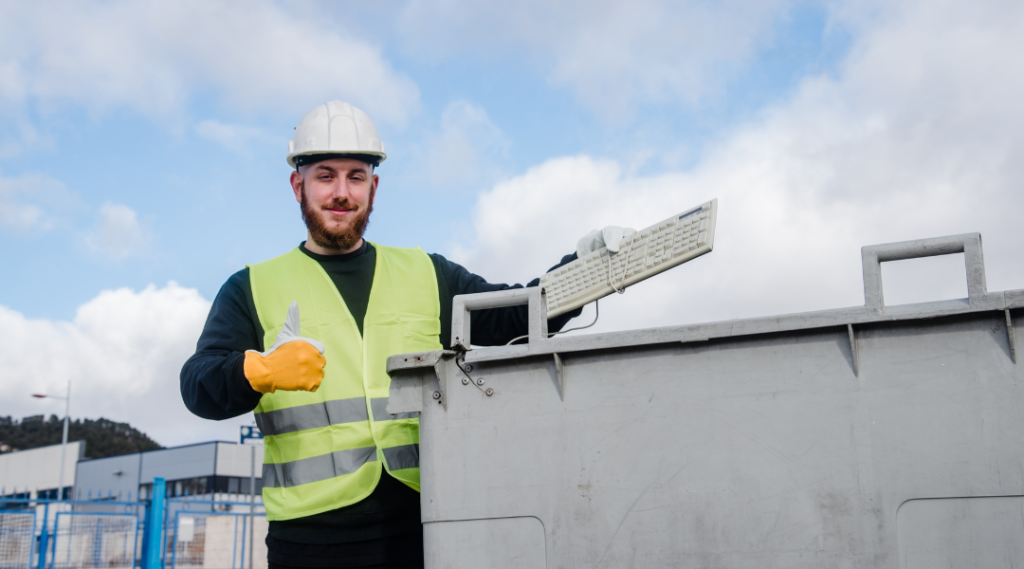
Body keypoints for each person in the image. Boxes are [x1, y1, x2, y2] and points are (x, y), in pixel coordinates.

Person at [180, 101, 618, 569]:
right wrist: (259, 370)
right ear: (298, 186)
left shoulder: (427, 272)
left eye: (356, 176)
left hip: (424, 527)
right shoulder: (252, 286)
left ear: (374, 186)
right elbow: (198, 385)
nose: (341, 192)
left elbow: (517, 315)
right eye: (325, 175)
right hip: (310, 541)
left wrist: (587, 269)